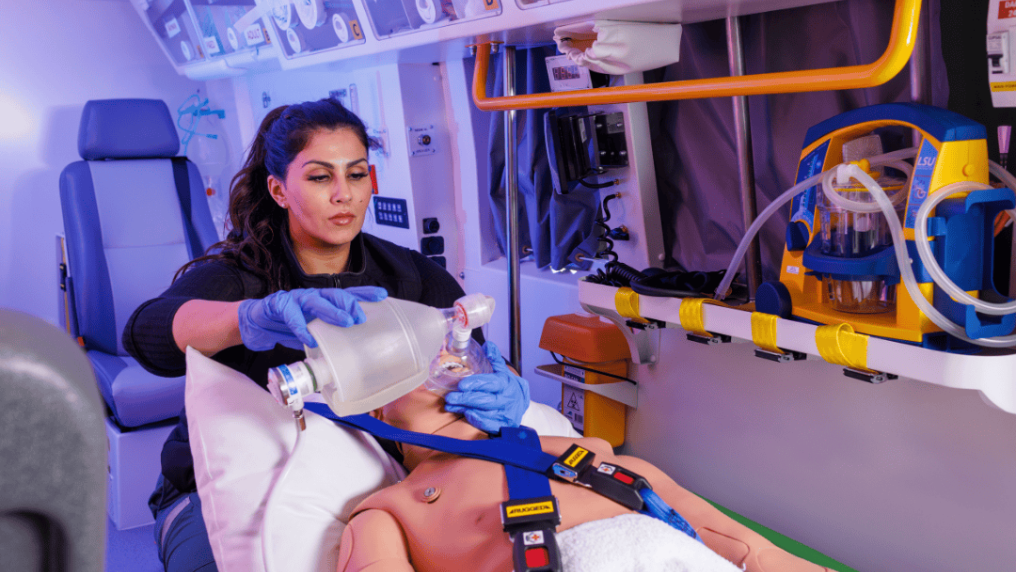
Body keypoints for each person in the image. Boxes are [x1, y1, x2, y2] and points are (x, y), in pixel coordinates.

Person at [122, 98, 530, 572]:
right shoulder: (243, 274)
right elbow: (145, 334)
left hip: (372, 470)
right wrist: (248, 318)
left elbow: (472, 354)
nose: (345, 195)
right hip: (224, 484)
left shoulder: (408, 276)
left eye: (357, 175)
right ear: (278, 190)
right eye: (320, 177)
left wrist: (507, 390)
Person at [335, 344, 831, 572]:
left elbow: (730, 541)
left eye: (458, 353)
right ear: (377, 402)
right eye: (415, 359)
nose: (447, 358)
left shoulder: (584, 454)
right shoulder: (388, 508)